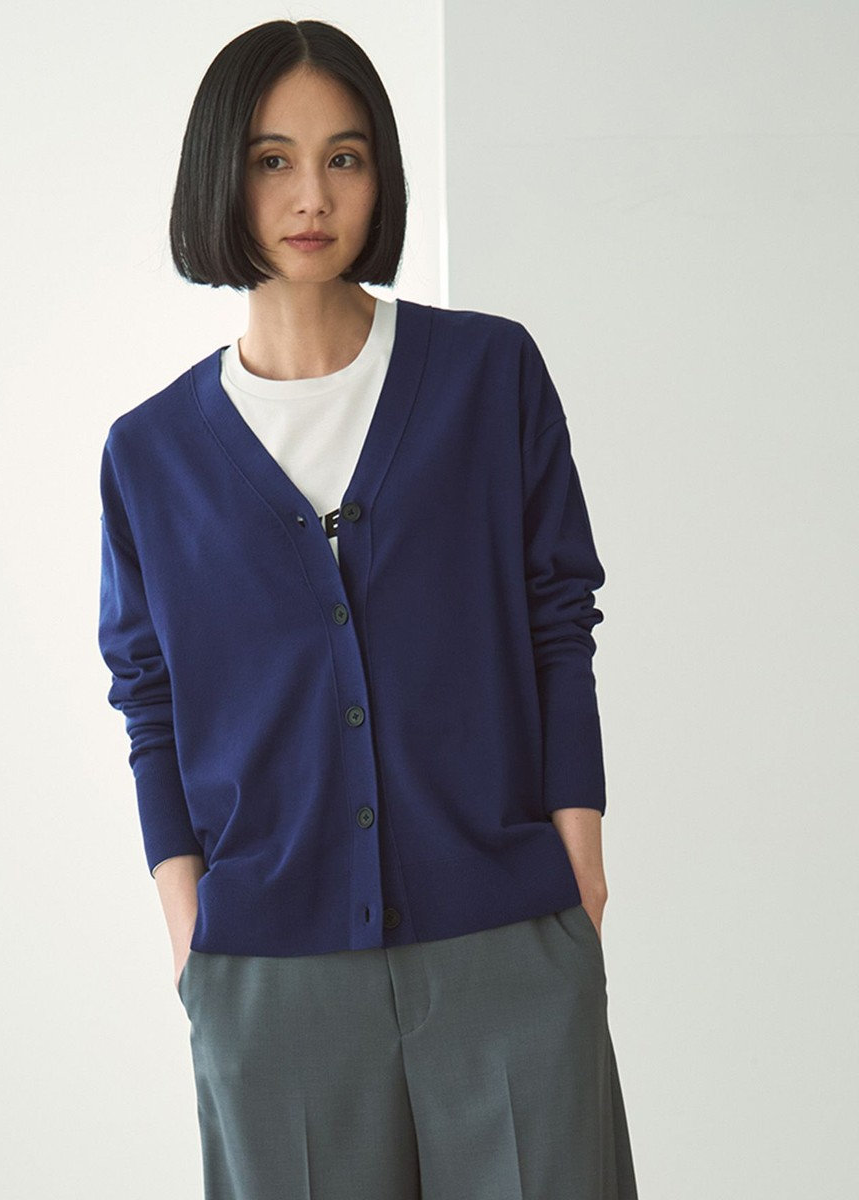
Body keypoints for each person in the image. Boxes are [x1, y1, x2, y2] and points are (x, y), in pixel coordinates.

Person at [97, 17, 639, 1200]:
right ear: (221, 177)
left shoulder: (488, 377)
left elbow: (558, 617)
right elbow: (149, 699)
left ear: (379, 174)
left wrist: (579, 862)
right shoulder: (150, 455)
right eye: (272, 160)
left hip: (505, 940)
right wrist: (189, 927)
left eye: (343, 157)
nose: (311, 196)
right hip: (269, 977)